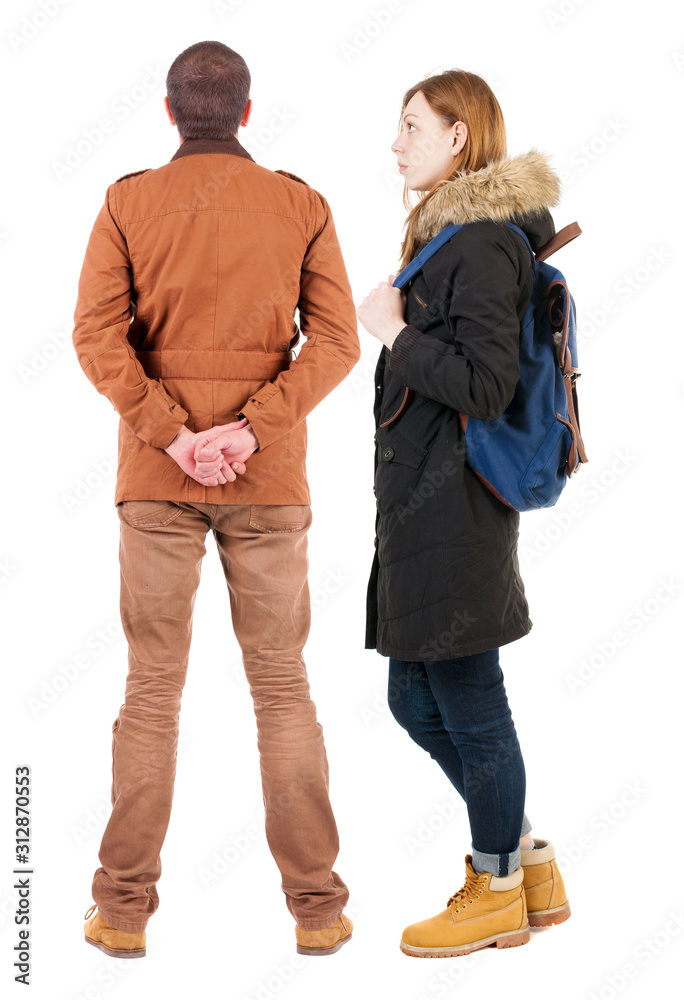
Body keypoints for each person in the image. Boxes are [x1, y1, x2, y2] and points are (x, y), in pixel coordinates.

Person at [73, 40, 358, 959]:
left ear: (170, 113)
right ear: (245, 112)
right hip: (267, 478)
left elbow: (95, 338)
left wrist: (171, 435)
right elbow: (338, 343)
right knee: (282, 685)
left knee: (152, 687)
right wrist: (252, 430)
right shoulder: (301, 205)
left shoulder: (127, 203)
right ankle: (319, 912)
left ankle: (122, 914)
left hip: (158, 478)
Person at [357, 69, 571, 958]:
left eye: (413, 125)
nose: (396, 143)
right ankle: (524, 864)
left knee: (468, 698)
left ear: (459, 137)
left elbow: (485, 386)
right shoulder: (453, 237)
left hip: (457, 511)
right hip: (428, 510)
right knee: (414, 695)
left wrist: (392, 331)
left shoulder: (478, 244)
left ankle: (496, 886)